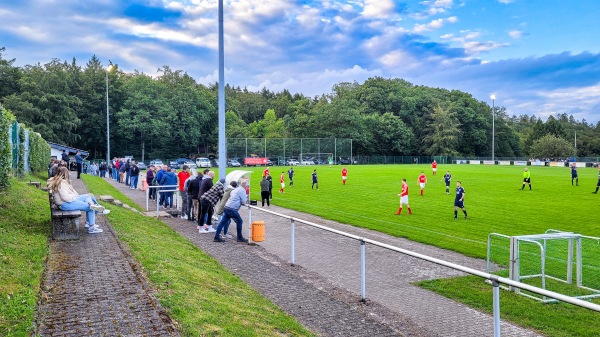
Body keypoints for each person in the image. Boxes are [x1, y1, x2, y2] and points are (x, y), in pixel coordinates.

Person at [47, 167, 109, 234]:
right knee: (90, 207)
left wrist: (76, 196)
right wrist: (75, 196)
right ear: (65, 174)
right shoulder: (61, 183)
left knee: (88, 196)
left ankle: (94, 213)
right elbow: (66, 197)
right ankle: (92, 227)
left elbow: (70, 195)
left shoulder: (61, 181)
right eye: (68, 172)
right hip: (64, 204)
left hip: (67, 202)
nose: (69, 174)